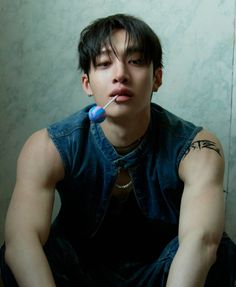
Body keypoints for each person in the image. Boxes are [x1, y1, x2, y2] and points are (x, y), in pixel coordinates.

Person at [0, 13, 236, 287]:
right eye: (103, 63)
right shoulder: (47, 146)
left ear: (157, 78)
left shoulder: (196, 148)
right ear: (87, 83)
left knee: (221, 252)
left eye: (135, 62)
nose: (120, 75)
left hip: (163, 276)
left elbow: (201, 241)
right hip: (78, 275)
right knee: (20, 254)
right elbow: (21, 241)